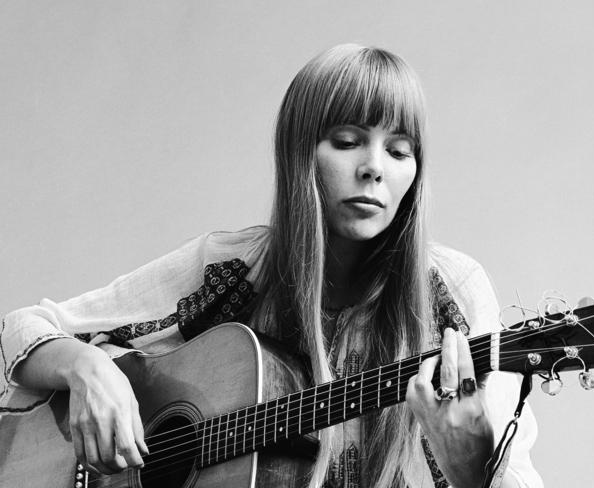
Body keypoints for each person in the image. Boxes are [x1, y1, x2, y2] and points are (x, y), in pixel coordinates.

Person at [0, 44, 542, 488]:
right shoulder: (236, 267)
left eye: (399, 151)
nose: (374, 168)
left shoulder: (452, 294)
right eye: (348, 141)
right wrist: (87, 370)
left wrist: (473, 470)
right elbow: (24, 328)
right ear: (300, 152)